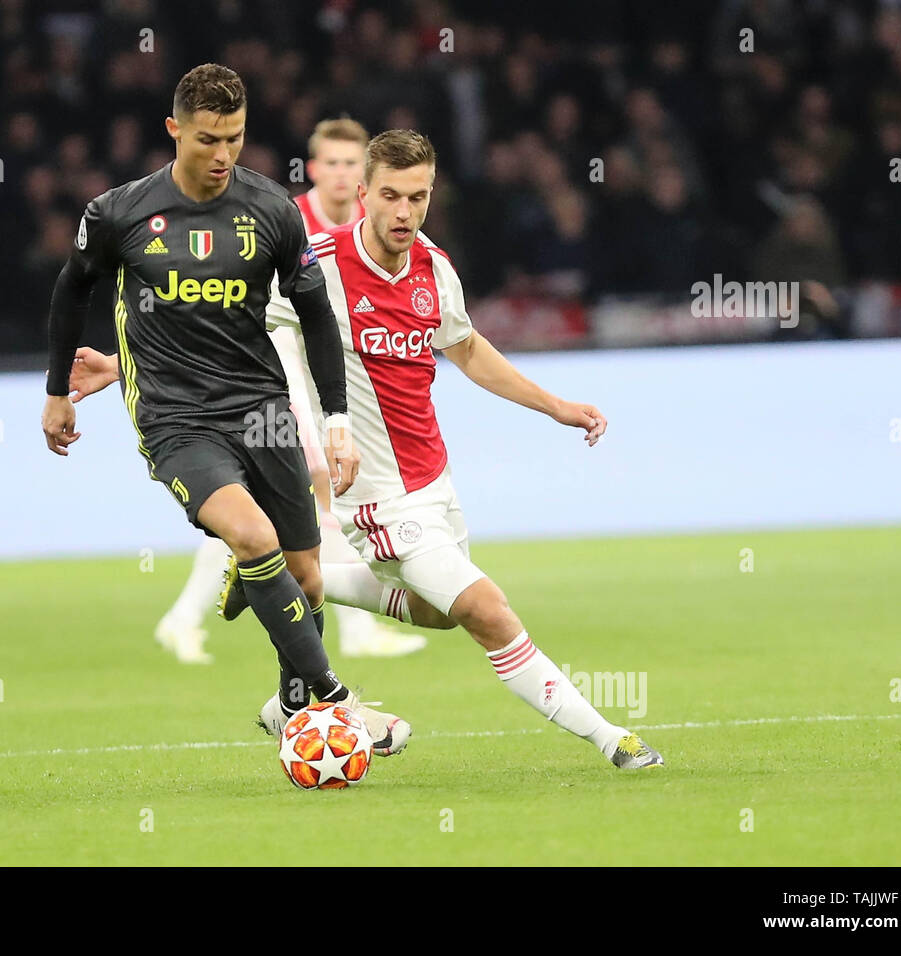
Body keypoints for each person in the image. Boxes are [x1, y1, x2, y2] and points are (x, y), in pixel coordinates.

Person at [228, 130, 664, 768]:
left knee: (437, 613)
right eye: (391, 197)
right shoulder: (318, 266)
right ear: (361, 192)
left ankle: (297, 577)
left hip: (435, 480)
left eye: (418, 197)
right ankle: (612, 739)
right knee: (487, 609)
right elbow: (231, 319)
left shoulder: (433, 266)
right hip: (379, 499)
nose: (404, 213)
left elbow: (467, 350)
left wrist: (556, 406)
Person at [43, 64, 410, 756]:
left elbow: (316, 315)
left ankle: (291, 710)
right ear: (174, 130)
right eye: (208, 139)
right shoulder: (119, 213)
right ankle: (338, 705)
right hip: (176, 420)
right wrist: (56, 389)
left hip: (262, 409)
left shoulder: (269, 210)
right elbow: (71, 291)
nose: (222, 156)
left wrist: (334, 419)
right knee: (252, 537)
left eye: (235, 139)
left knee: (306, 578)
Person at [150, 116, 427, 662]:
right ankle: (345, 631)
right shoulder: (285, 219)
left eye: (354, 164)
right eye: (334, 163)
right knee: (316, 491)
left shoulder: (376, 227)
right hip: (275, 371)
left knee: (304, 504)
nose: (344, 174)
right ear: (316, 168)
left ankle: (184, 618)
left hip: (328, 373)